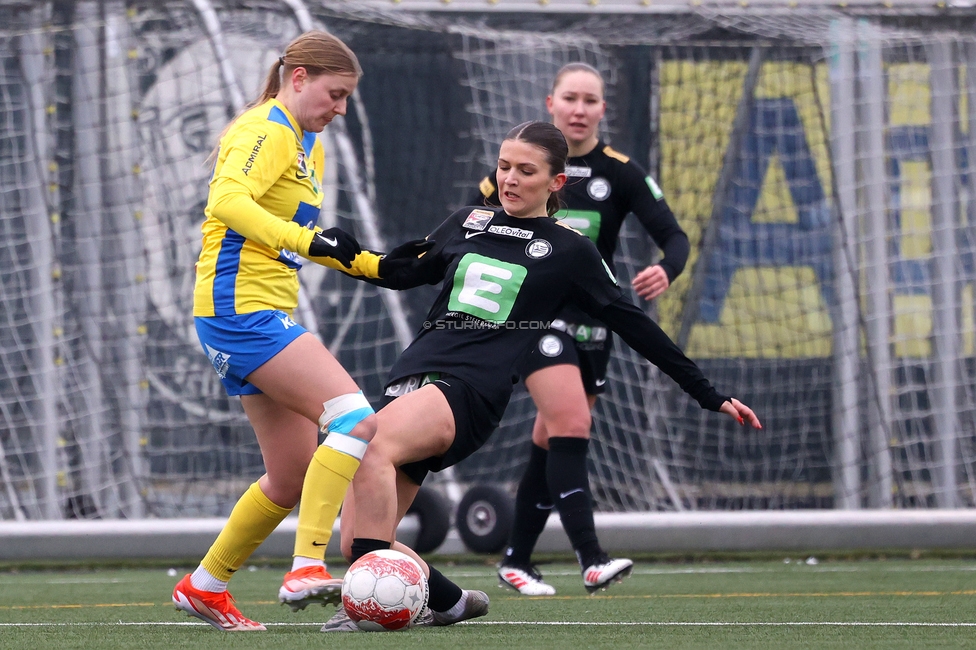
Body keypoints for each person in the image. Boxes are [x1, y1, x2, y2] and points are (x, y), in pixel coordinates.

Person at [320, 120, 761, 631]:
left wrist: (708, 394)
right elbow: (398, 271)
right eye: (504, 166)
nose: (509, 179)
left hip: (468, 391)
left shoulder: (570, 249)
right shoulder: (468, 221)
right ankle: (452, 601)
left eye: (526, 171)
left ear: (556, 182)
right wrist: (345, 254)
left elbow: (636, 325)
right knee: (358, 541)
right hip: (410, 380)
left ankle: (363, 608)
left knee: (370, 443)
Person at [170, 30, 430, 632]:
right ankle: (306, 567)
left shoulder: (302, 138)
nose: (339, 109)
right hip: (242, 312)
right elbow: (227, 203)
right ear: (299, 76)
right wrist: (309, 240)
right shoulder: (269, 128)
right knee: (354, 420)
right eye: (334, 95)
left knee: (289, 474)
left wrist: (381, 267)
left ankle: (205, 585)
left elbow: (308, 238)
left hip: (249, 312)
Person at [472, 63, 691, 595]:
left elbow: (675, 236)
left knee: (552, 441)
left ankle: (516, 559)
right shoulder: (521, 168)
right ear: (551, 103)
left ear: (602, 110)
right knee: (571, 422)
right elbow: (472, 231)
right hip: (536, 323)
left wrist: (668, 267)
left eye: (590, 100)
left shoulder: (620, 171)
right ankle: (591, 558)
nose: (579, 109)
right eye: (570, 98)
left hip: (597, 326)